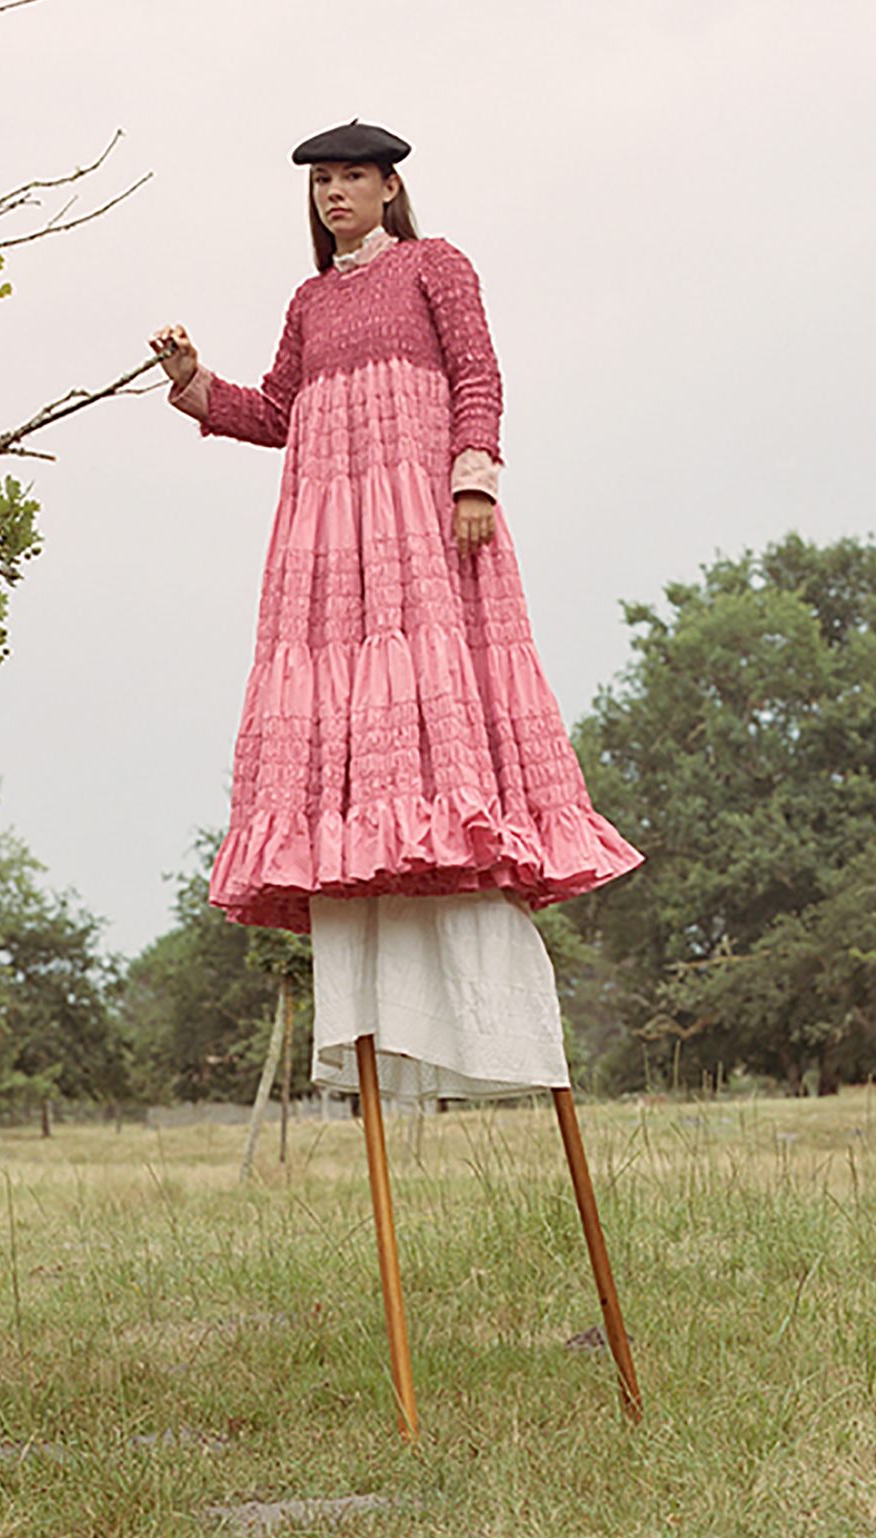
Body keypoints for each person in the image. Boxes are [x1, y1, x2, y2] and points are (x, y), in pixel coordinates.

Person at [152, 119, 641, 1103]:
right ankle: (373, 841)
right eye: (323, 181)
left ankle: (453, 823)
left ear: (389, 186)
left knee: (433, 666)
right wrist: (191, 384)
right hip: (330, 539)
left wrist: (474, 482)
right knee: (347, 688)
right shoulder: (309, 299)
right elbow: (277, 413)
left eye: (353, 178)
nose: (335, 195)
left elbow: (479, 375)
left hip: (421, 515)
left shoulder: (436, 266)